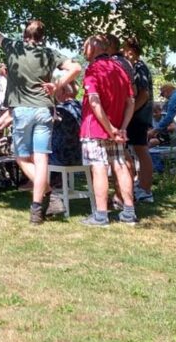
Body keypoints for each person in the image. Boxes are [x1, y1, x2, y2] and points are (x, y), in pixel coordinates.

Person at [0, 11, 82, 225]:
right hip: (44, 110)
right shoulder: (50, 53)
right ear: (42, 37)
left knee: (21, 157)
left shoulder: (13, 47)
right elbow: (77, 68)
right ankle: (37, 209)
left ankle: (49, 193)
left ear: (25, 34)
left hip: (22, 111)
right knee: (41, 157)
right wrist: (58, 85)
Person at [79, 35, 137, 226]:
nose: (83, 50)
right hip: (117, 130)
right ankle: (129, 212)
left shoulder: (93, 69)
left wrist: (110, 128)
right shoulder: (120, 69)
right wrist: (121, 128)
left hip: (94, 129)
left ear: (94, 48)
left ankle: (101, 215)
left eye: (85, 46)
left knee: (99, 168)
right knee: (120, 165)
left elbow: (94, 101)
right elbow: (131, 101)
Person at [122, 37, 155, 203]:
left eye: (124, 49)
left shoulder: (139, 67)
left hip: (139, 116)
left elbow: (144, 94)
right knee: (137, 150)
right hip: (138, 115)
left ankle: (146, 189)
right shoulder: (134, 66)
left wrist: (131, 112)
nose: (122, 52)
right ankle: (139, 185)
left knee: (141, 150)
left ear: (131, 50)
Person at [46, 80, 83, 217]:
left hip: (62, 157)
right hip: (80, 155)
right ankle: (57, 188)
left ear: (62, 92)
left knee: (38, 156)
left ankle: (51, 195)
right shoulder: (82, 106)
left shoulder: (60, 109)